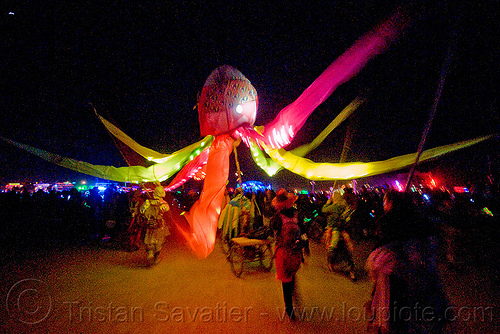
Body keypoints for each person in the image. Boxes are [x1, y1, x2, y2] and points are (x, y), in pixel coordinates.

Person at [365, 189, 449, 333]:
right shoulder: (418, 217)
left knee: (395, 308)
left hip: (395, 271)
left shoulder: (388, 220)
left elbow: (381, 243)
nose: (384, 204)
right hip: (418, 270)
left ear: (391, 202)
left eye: (385, 200)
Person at [270, 189, 304, 320]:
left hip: (283, 252)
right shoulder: (296, 214)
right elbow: (302, 230)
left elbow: (273, 229)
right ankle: (291, 300)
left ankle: (289, 308)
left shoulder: (278, 216)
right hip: (295, 251)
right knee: (291, 275)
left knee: (285, 280)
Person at [322, 189, 357, 281]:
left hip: (335, 230)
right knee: (347, 250)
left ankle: (331, 263)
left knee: (332, 247)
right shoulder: (345, 205)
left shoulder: (334, 206)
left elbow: (323, 210)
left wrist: (328, 203)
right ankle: (350, 269)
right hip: (343, 230)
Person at [139, 185, 171, 266]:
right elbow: (167, 213)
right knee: (159, 241)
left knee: (149, 239)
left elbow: (141, 211)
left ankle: (150, 253)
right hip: (159, 225)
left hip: (149, 224)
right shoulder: (164, 204)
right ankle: (156, 258)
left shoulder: (147, 202)